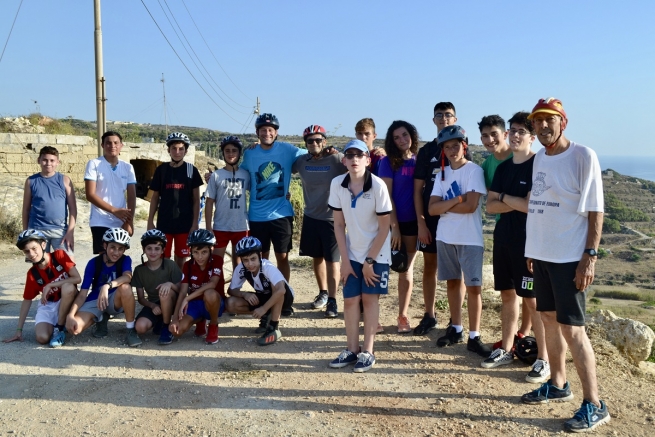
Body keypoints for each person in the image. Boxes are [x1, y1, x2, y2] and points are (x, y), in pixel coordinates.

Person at [519, 98, 609, 432]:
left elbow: (596, 210)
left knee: (573, 330)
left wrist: (590, 256)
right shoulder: (540, 157)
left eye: (549, 120)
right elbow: (539, 205)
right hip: (542, 255)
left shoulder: (583, 156)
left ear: (563, 122)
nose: (543, 127)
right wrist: (532, 247)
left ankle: (595, 404)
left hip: (569, 258)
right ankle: (558, 384)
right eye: (538, 121)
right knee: (547, 320)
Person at [483, 112, 549, 381]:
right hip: (503, 240)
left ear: (532, 137)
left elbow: (531, 206)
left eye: (522, 131)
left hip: (528, 244)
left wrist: (503, 197)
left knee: (533, 302)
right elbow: (489, 207)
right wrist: (514, 200)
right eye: (512, 130)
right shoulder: (502, 168)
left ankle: (544, 359)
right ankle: (507, 348)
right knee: (507, 296)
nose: (515, 135)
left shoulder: (537, 166)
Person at [327, 139, 391, 373]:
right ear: (344, 160)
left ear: (368, 159)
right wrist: (345, 260)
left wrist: (369, 261)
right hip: (352, 252)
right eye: (350, 155)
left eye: (359, 155)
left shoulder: (377, 186)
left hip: (377, 253)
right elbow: (338, 225)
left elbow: (384, 228)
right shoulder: (337, 184)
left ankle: (368, 351)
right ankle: (351, 349)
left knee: (370, 299)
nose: (354, 159)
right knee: (351, 300)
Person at [428, 126, 491, 358]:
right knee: (452, 283)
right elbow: (432, 209)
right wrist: (456, 199)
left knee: (474, 288)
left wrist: (446, 205)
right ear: (443, 150)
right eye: (447, 147)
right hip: (445, 237)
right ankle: (456, 328)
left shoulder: (473, 171)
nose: (452, 150)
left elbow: (471, 206)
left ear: (464, 145)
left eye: (456, 145)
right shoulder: (441, 173)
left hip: (469, 238)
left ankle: (475, 336)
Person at [240, 113, 307, 285]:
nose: (267, 133)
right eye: (263, 130)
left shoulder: (287, 149)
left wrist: (330, 150)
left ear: (276, 132)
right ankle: (266, 292)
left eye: (270, 130)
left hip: (281, 214)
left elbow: (314, 153)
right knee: (261, 259)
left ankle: (284, 294)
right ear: (257, 132)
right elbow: (239, 174)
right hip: (257, 216)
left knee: (282, 257)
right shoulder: (250, 154)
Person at [293, 125, 346, 318]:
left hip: (332, 218)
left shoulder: (337, 159)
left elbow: (361, 163)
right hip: (311, 216)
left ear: (325, 141)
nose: (314, 143)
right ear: (305, 143)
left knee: (333, 261)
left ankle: (332, 300)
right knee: (317, 257)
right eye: (310, 141)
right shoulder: (301, 161)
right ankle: (323, 292)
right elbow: (283, 164)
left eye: (318, 140)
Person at [3, 230, 80, 347]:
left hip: (68, 299)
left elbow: (77, 279)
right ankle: (59, 324)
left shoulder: (59, 255)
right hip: (49, 304)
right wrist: (19, 330)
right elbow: (27, 300)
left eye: (34, 248)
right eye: (27, 251)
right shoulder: (32, 274)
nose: (32, 254)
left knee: (68, 287)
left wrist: (51, 285)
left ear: (43, 245)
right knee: (42, 338)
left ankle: (59, 327)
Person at [66, 228, 142, 347]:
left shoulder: (125, 260)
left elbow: (127, 277)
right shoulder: (93, 263)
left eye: (121, 248)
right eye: (113, 247)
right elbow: (83, 293)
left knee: (126, 288)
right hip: (96, 300)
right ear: (105, 245)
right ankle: (101, 318)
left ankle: (130, 330)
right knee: (75, 328)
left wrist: (107, 286)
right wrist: (70, 315)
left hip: (115, 300)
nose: (116, 252)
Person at [378, 120, 418, 333]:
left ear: (412, 135)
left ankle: (402, 315)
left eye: (405, 135)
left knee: (406, 269)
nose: (402, 140)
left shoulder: (419, 160)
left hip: (413, 222)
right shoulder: (387, 162)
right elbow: (387, 197)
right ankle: (374, 317)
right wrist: (394, 226)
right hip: (390, 222)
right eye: (396, 137)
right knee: (381, 268)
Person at [147, 132, 204, 270]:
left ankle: (179, 287)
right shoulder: (161, 170)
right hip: (164, 222)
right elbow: (154, 197)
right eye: (174, 148)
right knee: (163, 257)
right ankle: (163, 287)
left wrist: (195, 224)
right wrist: (149, 221)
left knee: (181, 258)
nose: (177, 152)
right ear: (168, 150)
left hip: (184, 223)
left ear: (186, 151)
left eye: (181, 149)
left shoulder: (191, 170)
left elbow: (196, 200)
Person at [225, 236, 295, 346]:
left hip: (285, 297)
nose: (250, 264)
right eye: (245, 260)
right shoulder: (241, 268)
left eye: (253, 259)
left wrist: (263, 308)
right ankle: (267, 315)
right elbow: (231, 290)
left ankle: (273, 327)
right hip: (263, 295)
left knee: (276, 287)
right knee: (230, 304)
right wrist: (244, 294)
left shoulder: (267, 266)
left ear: (260, 256)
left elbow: (281, 290)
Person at [84, 131, 137, 254]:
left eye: (115, 143)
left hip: (121, 221)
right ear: (102, 145)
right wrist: (114, 210)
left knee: (118, 257)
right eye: (108, 143)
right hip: (100, 220)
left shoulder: (128, 167)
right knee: (104, 259)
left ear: (121, 145)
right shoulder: (94, 164)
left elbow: (131, 197)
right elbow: (90, 195)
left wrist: (129, 221)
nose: (112, 146)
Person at [169, 229, 224, 345]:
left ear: (211, 250)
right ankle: (201, 319)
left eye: (204, 252)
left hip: (214, 301)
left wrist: (187, 299)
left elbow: (213, 284)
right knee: (177, 331)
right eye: (196, 252)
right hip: (195, 303)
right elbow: (183, 291)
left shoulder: (217, 260)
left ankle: (213, 325)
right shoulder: (187, 265)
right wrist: (174, 319)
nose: (200, 257)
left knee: (209, 293)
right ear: (191, 251)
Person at [205, 135, 250, 271]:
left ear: (239, 153)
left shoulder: (246, 174)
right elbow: (209, 202)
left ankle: (236, 289)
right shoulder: (216, 175)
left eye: (234, 150)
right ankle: (218, 291)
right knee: (217, 261)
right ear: (223, 153)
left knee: (240, 261)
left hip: (242, 225)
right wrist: (208, 226)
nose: (231, 154)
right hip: (221, 225)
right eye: (227, 151)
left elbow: (259, 192)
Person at [22, 146, 77, 254]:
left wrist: (70, 232)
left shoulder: (65, 180)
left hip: (60, 230)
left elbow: (73, 209)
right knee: (40, 266)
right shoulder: (31, 181)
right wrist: (26, 232)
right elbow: (26, 209)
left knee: (68, 265)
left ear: (58, 162)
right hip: (37, 230)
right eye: (45, 160)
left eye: (52, 160)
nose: (48, 163)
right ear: (39, 160)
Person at [132, 229, 183, 345]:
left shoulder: (171, 265)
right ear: (143, 250)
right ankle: (160, 320)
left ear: (163, 250)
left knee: (164, 292)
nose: (153, 252)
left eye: (157, 248)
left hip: (172, 300)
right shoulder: (139, 270)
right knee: (140, 327)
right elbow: (140, 298)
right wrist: (152, 305)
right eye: (149, 248)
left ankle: (166, 327)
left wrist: (170, 284)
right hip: (154, 304)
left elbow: (182, 291)